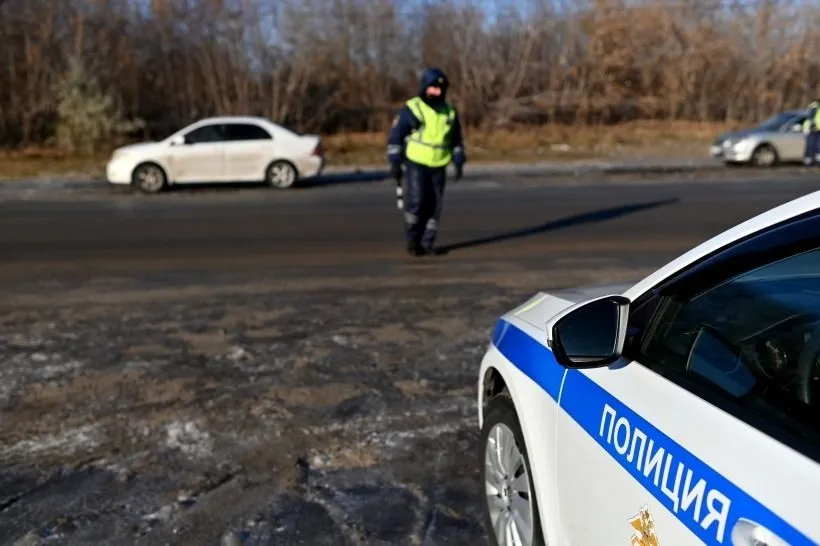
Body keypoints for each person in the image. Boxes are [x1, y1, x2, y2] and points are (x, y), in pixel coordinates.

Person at [386, 67, 466, 256]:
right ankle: (413, 240)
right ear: (424, 88)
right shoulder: (413, 109)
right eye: (432, 89)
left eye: (440, 89)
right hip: (416, 162)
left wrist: (459, 160)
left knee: (434, 205)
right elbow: (396, 136)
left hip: (439, 164)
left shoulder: (450, 112)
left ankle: (427, 243)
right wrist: (395, 162)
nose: (436, 93)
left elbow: (456, 139)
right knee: (417, 202)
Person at [803, 100, 820, 165]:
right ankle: (810, 161)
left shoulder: (814, 107)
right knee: (812, 146)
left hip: (815, 129)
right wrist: (811, 125)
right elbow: (810, 118)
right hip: (813, 129)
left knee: (815, 146)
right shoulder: (815, 107)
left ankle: (813, 161)